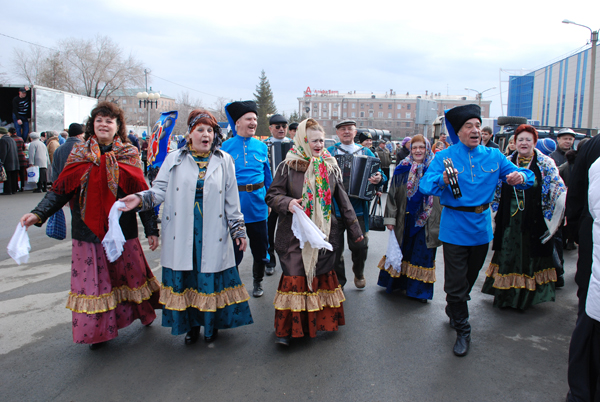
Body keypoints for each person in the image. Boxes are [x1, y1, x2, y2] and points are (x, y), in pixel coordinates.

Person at [19, 101, 160, 350]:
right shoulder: (79, 155)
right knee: (96, 283)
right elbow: (60, 190)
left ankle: (144, 313)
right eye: (99, 120)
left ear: (118, 127)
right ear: (92, 125)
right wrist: (37, 214)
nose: (104, 124)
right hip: (87, 233)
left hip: (122, 232)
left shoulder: (129, 154)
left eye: (109, 120)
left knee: (130, 276)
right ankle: (99, 331)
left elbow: (142, 194)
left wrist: (151, 230)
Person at [120, 109, 253, 345]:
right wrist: (139, 199)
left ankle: (210, 326)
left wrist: (238, 230)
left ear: (215, 135)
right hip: (182, 230)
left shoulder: (224, 160)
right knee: (188, 278)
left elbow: (232, 201)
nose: (205, 135)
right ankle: (192, 326)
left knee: (209, 278)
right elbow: (158, 191)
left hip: (213, 231)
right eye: (199, 130)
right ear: (189, 134)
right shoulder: (174, 158)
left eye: (210, 130)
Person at [420, 104, 534, 357]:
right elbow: (425, 185)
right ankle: (463, 329)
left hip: (481, 228)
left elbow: (526, 175)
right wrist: (442, 179)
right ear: (458, 132)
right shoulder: (445, 157)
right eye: (468, 126)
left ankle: (455, 304)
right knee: (456, 282)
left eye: (478, 126)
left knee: (468, 279)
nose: (475, 130)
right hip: (454, 228)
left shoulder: (493, 156)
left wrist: (520, 178)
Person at [265, 118, 363, 346]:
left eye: (321, 140)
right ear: (302, 140)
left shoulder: (329, 165)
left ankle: (316, 324)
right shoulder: (287, 166)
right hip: (294, 235)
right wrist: (288, 202)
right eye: (313, 141)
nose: (318, 145)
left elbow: (343, 200)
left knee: (319, 274)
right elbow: (271, 195)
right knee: (295, 275)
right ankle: (286, 331)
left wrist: (355, 229)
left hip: (323, 232)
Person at [481, 125, 566, 310]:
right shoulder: (507, 161)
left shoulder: (545, 163)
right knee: (508, 253)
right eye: (520, 139)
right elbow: (493, 187)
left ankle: (525, 297)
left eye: (528, 139)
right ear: (514, 143)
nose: (524, 143)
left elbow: (557, 188)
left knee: (529, 254)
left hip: (534, 219)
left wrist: (557, 209)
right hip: (509, 218)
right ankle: (506, 295)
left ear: (535, 142)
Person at [378, 135, 441, 302]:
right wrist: (390, 219)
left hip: (427, 220)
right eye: (414, 147)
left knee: (422, 255)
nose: (418, 150)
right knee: (402, 252)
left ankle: (418, 292)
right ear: (410, 149)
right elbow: (392, 195)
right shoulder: (402, 168)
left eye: (421, 147)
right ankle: (398, 284)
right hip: (403, 219)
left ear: (427, 148)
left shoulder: (436, 169)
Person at [221, 100, 272, 298]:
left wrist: (270, 200)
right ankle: (233, 285)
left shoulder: (261, 146)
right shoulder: (225, 147)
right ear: (237, 124)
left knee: (260, 248)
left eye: (255, 119)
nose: (253, 122)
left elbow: (268, 176)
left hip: (258, 206)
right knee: (235, 250)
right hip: (234, 208)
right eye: (249, 119)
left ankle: (257, 282)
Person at [327, 119, 384, 289]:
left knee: (360, 246)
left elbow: (379, 172)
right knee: (335, 249)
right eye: (342, 129)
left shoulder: (365, 151)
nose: (346, 132)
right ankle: (340, 281)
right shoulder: (329, 152)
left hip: (357, 208)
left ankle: (358, 272)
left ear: (355, 132)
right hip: (334, 209)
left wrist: (379, 178)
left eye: (349, 129)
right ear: (337, 133)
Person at [565, 134, 600, 402]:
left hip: (590, 236)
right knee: (589, 314)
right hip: (593, 241)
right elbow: (577, 192)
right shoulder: (595, 147)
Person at [264, 114, 292, 275]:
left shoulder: (294, 145)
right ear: (270, 128)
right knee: (268, 230)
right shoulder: (264, 146)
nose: (281, 129)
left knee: (289, 229)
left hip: (289, 196)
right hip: (270, 195)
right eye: (277, 126)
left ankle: (290, 259)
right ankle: (270, 260)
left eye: (284, 126)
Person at [0, 127, 20, 195]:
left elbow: (3, 152)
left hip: (8, 161)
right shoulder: (12, 139)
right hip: (14, 161)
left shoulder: (3, 140)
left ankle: (7, 191)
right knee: (13, 176)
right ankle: (13, 189)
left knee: (7, 177)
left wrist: (1, 162)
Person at [9, 127, 27, 192]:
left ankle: (16, 186)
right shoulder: (20, 139)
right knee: (22, 173)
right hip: (22, 156)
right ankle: (22, 187)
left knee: (15, 173)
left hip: (14, 157)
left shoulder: (11, 140)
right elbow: (23, 147)